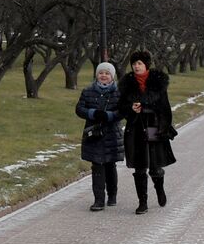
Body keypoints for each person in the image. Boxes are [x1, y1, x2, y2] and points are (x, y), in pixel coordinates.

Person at [116, 51, 176, 215]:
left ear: (146, 65)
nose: (136, 66)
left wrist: (162, 126)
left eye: (140, 63)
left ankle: (160, 189)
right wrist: (131, 109)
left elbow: (165, 108)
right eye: (134, 63)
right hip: (135, 128)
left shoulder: (158, 83)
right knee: (140, 167)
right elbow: (120, 108)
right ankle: (142, 202)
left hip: (153, 127)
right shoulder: (127, 84)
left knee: (155, 166)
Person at [75, 62, 123, 211]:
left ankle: (112, 195)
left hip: (112, 134)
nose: (104, 76)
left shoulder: (118, 92)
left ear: (112, 76)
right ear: (97, 75)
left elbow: (122, 111)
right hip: (94, 134)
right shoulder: (88, 90)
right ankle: (99, 200)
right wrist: (93, 113)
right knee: (97, 166)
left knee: (110, 165)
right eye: (101, 73)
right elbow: (79, 109)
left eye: (107, 73)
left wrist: (109, 116)